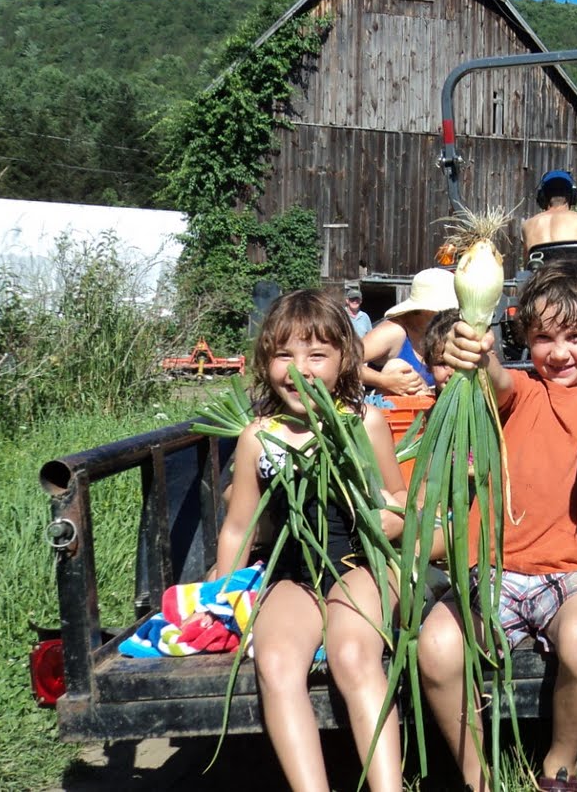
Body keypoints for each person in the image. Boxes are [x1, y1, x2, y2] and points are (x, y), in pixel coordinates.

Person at [417, 260, 577, 792]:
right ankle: (478, 777)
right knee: (436, 645)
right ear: (525, 340)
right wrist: (475, 349)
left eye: (575, 337)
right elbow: (494, 379)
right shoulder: (520, 391)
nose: (558, 352)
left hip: (575, 575)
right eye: (543, 338)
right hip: (494, 570)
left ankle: (560, 765)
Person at [209, 290, 410, 792]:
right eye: (284, 354)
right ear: (266, 362)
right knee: (276, 662)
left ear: (345, 359)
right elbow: (238, 526)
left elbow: (399, 498)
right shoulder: (259, 436)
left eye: (317, 354)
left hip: (360, 566)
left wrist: (393, 517)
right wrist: (224, 592)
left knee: (352, 652)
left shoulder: (364, 423)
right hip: (294, 572)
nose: (299, 369)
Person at [361, 267, 458, 396]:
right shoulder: (395, 331)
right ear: (422, 309)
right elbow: (342, 363)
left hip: (434, 404)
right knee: (398, 366)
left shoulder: (444, 333)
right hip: (390, 406)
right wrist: (385, 381)